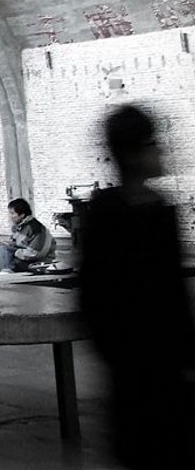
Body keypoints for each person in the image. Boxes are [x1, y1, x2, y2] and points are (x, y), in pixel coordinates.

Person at [79, 104, 194, 469]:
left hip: (161, 360)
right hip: (136, 363)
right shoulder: (111, 214)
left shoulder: (160, 208)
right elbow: (97, 292)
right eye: (151, 144)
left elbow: (172, 295)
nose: (160, 151)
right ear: (132, 153)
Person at [0, 198, 55, 273]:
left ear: (22, 215)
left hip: (38, 262)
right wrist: (10, 244)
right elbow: (19, 243)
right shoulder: (19, 227)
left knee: (5, 251)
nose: (10, 216)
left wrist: (15, 252)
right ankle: (6, 272)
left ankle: (6, 273)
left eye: (12, 213)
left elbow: (35, 253)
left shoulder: (36, 228)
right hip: (24, 257)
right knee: (3, 249)